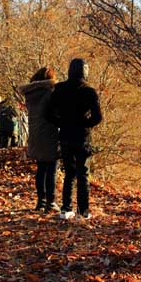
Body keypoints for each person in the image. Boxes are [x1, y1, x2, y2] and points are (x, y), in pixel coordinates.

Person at [46, 58, 102, 220]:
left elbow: (48, 114)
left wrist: (62, 123)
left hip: (64, 135)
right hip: (82, 136)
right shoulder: (89, 91)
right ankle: (83, 211)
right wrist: (86, 124)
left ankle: (65, 209)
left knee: (69, 173)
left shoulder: (59, 89)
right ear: (85, 71)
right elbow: (97, 117)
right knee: (83, 173)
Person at [19, 67, 60, 213]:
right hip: (50, 133)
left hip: (35, 133)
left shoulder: (30, 95)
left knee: (41, 169)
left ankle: (40, 202)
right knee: (52, 169)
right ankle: (51, 201)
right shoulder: (50, 93)